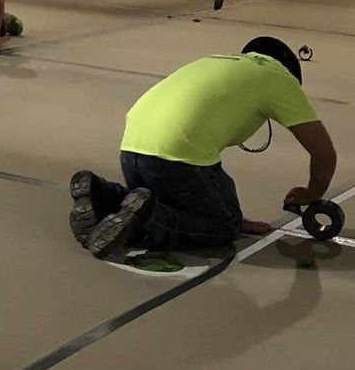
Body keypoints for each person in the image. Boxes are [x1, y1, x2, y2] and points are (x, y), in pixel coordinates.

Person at [69, 37, 337, 258]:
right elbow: (323, 152)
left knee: (221, 194)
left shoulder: (218, 60)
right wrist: (311, 194)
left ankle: (103, 194)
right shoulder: (280, 78)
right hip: (178, 156)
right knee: (222, 227)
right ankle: (146, 224)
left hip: (131, 147)